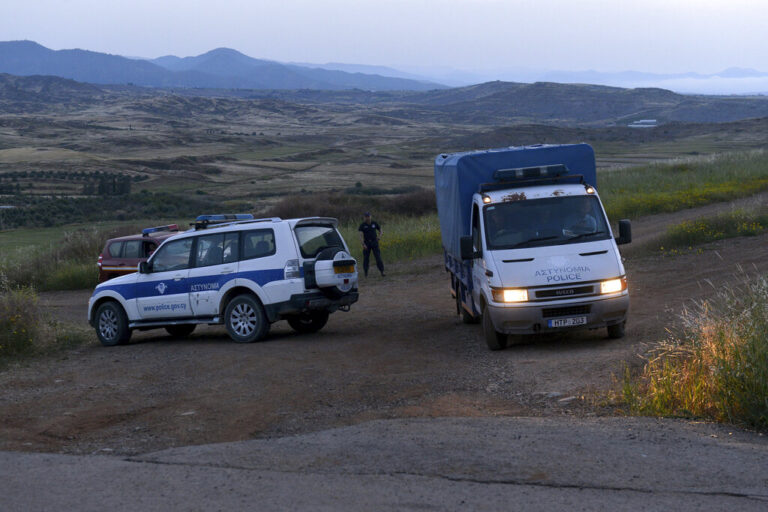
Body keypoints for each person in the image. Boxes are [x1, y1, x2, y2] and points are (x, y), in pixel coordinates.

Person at [358, 212, 385, 277]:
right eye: (366, 217)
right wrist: (363, 244)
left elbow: (380, 230)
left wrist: (379, 237)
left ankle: (382, 271)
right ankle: (366, 273)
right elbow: (360, 235)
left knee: (378, 257)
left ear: (370, 216)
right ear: (364, 217)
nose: (367, 218)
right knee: (366, 259)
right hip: (366, 243)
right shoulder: (362, 225)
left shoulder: (374, 223)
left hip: (374, 242)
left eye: (368, 216)